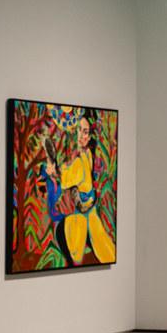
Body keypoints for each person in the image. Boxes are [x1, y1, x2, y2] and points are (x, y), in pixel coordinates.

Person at [44, 113, 116, 266]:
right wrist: (57, 171)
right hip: (86, 215)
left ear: (90, 137)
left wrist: (54, 172)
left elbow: (67, 179)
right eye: (79, 130)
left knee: (84, 250)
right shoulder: (85, 154)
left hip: (85, 218)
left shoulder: (81, 160)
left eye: (85, 132)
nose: (81, 136)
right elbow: (68, 173)